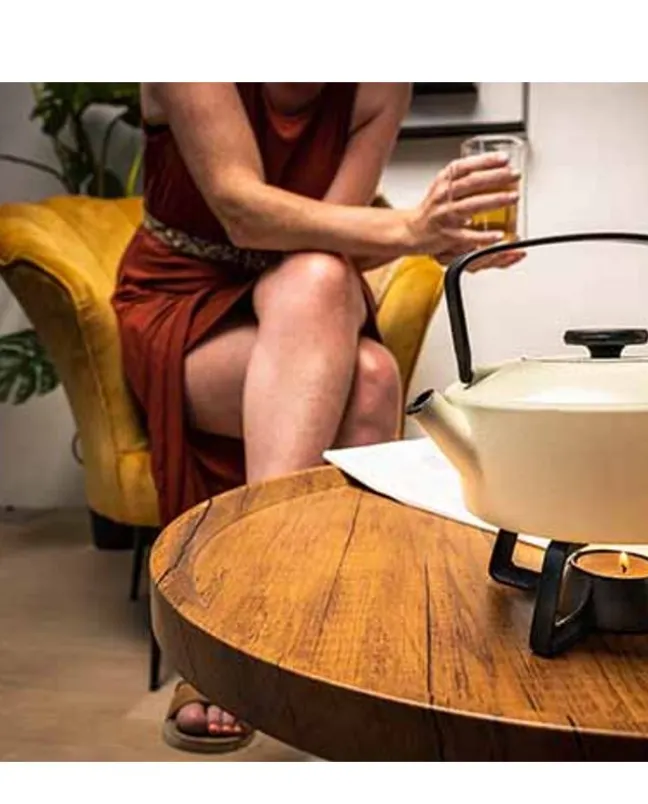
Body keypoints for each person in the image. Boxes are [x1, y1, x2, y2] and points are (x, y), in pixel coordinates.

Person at [112, 83, 522, 753]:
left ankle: (303, 629)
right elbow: (243, 211)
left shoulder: (381, 80)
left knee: (356, 343)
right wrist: (411, 229)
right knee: (353, 347)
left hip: (300, 299)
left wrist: (436, 238)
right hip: (182, 300)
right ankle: (262, 622)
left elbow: (327, 237)